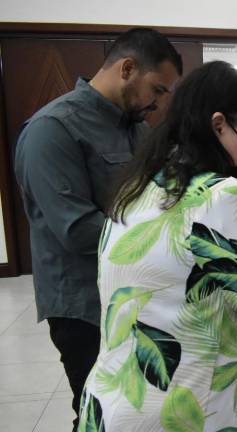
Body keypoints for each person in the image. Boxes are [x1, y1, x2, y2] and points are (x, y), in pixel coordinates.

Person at [78, 61, 237, 431]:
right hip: (192, 413)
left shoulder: (134, 191)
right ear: (219, 125)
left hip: (114, 403)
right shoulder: (224, 198)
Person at [13, 27, 181, 430]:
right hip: (84, 305)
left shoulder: (136, 127)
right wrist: (167, 234)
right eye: (157, 90)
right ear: (127, 68)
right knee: (98, 409)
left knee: (137, 406)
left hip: (136, 293)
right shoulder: (52, 129)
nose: (158, 104)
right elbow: (78, 230)